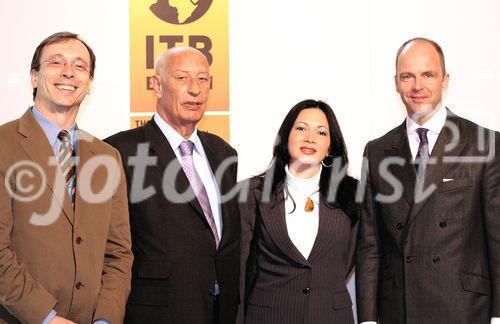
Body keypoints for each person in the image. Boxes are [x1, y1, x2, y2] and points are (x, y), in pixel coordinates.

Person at [356, 37, 500, 324]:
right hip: (399, 310)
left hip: (465, 309)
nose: (417, 86)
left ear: (445, 80)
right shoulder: (377, 151)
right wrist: (369, 319)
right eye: (407, 76)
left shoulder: (484, 144)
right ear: (396, 83)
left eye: (428, 75)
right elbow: (369, 245)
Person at [0, 32, 133, 324]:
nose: (68, 72)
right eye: (56, 62)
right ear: (34, 77)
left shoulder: (107, 156)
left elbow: (119, 254)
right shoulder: (3, 144)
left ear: (89, 84)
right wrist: (46, 317)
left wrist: (106, 318)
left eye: (80, 66)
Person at [105, 47, 240, 324]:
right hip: (155, 313)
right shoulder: (120, 151)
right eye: (182, 78)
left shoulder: (224, 153)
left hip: (221, 310)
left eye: (203, 79)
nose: (195, 90)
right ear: (156, 85)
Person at [239, 99, 359, 324]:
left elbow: (352, 258)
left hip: (331, 317)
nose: (310, 138)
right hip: (267, 316)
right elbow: (240, 270)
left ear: (330, 147)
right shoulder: (250, 193)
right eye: (301, 128)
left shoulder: (352, 195)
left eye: (321, 132)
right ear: (286, 137)